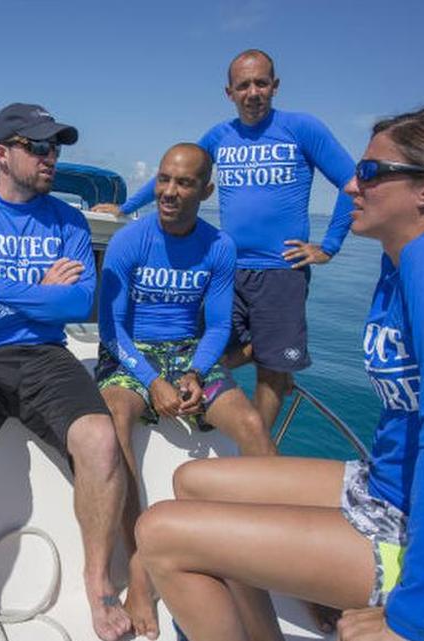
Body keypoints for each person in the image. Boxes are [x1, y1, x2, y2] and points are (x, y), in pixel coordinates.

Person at [135, 103, 424, 641]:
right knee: (194, 481)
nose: (351, 184)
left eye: (373, 173)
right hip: (392, 488)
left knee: (160, 534)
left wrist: (408, 618)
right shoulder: (417, 252)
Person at [0, 103, 132, 641]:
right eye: (38, 147)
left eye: (55, 148)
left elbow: (79, 303)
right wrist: (43, 291)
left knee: (101, 439)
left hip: (45, 356)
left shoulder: (68, 219)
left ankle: (98, 584)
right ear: (1, 153)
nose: (51, 158)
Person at [96, 49, 356, 436]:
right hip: (229, 265)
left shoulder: (302, 128)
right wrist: (127, 206)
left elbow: (352, 183)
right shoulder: (220, 135)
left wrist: (329, 246)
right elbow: (180, 170)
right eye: (243, 85)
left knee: (274, 368)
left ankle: (256, 452)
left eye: (261, 83)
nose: (253, 92)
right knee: (210, 342)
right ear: (229, 92)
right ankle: (215, 381)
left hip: (281, 267)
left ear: (275, 85)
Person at [95, 143, 278, 638]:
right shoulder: (130, 240)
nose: (169, 192)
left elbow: (218, 326)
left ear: (206, 190)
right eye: (163, 180)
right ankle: (139, 566)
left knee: (252, 425)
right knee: (115, 417)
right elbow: (110, 329)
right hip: (132, 352)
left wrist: (194, 373)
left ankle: (269, 555)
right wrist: (151, 380)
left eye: (183, 183)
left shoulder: (219, 246)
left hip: (189, 352)